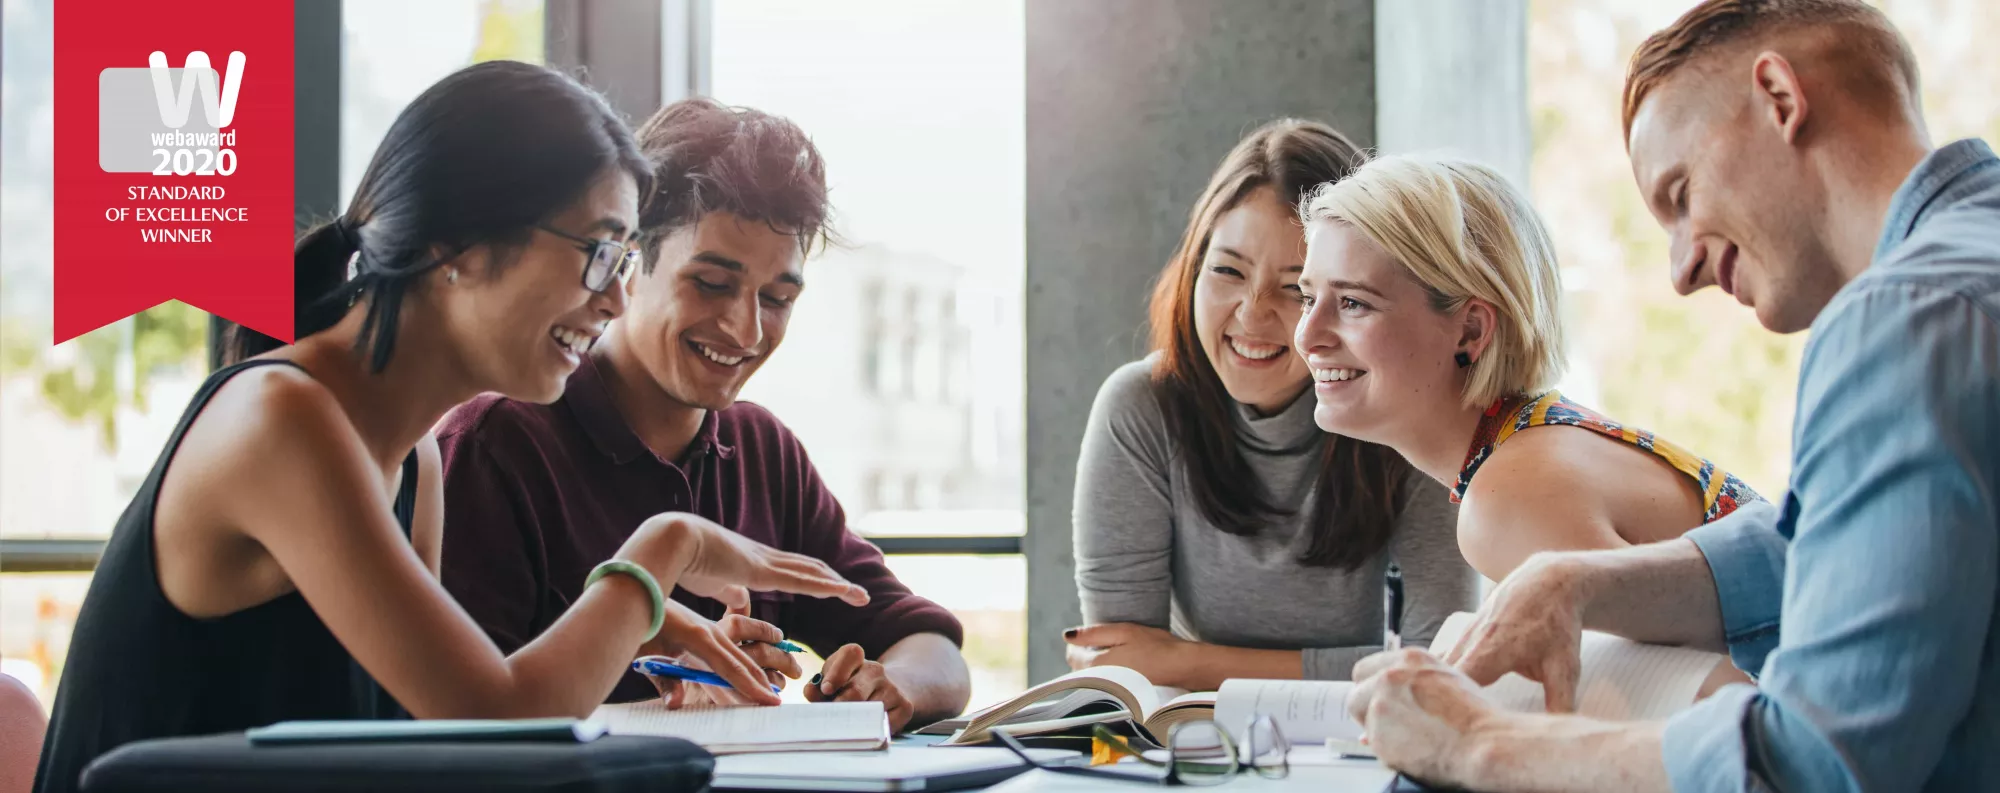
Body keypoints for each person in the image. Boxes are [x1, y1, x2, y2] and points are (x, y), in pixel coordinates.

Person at [31, 63, 865, 793]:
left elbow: (439, 743)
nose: (614, 300)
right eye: (599, 253)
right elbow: (498, 719)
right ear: (457, 244)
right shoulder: (281, 419)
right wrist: (663, 551)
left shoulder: (413, 458)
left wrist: (640, 621)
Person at [1342, 1, 2000, 791]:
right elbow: (1834, 546)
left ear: (1779, 99)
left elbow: (1814, 765)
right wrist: (1574, 581)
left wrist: (1478, 743)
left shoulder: (1904, 317)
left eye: (1681, 194)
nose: (1681, 270)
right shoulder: (1967, 274)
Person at [436, 98, 970, 734]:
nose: (746, 329)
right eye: (712, 284)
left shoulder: (762, 450)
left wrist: (891, 687)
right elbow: (465, 722)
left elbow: (931, 647)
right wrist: (663, 670)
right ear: (628, 265)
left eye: (777, 299)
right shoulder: (498, 445)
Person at [1065, 119, 1476, 691]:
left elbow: (1438, 664)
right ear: (1192, 269)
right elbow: (1125, 664)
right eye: (1228, 270)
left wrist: (1191, 661)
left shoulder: (1406, 409)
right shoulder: (1141, 408)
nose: (1253, 315)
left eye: (1296, 289)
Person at [1293, 153, 1764, 591]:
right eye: (1309, 298)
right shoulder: (1531, 445)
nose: (1307, 336)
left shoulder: (1510, 499)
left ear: (1471, 330)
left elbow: (1716, 675)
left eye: (1353, 303)